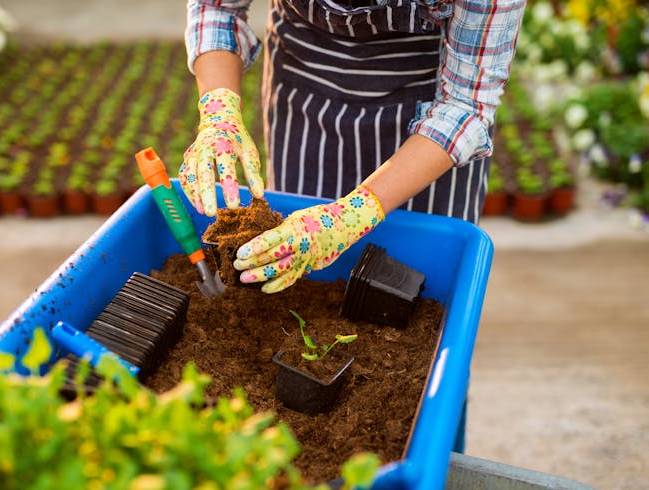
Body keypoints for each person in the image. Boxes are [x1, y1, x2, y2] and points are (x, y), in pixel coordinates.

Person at [180, 0, 526, 295]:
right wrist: (219, 110)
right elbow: (217, 7)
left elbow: (465, 104)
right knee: (293, 276)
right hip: (305, 88)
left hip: (429, 117)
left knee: (418, 291)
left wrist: (354, 215)